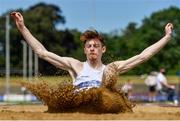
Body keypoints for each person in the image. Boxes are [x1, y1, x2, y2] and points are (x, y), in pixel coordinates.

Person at [11, 11, 174, 92]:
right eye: (89, 46)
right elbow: (42, 53)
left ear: (103, 49)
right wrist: (22, 28)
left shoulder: (111, 69)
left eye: (96, 46)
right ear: (84, 50)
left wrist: (166, 38)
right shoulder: (75, 65)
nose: (92, 48)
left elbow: (143, 56)